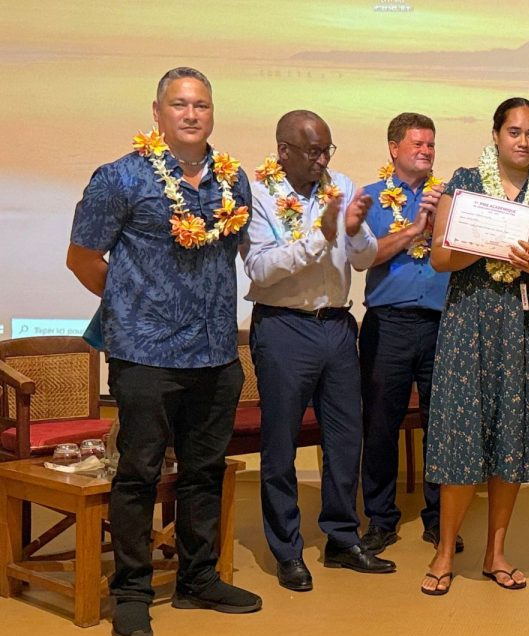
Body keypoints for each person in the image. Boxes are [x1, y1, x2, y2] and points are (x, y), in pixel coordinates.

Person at [66, 67, 262, 636]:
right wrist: (131, 302)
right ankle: (131, 592)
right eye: (179, 104)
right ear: (157, 113)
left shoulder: (235, 181)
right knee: (139, 474)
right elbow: (82, 259)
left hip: (216, 353)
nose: (191, 114)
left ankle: (198, 580)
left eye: (201, 104)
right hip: (145, 354)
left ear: (211, 113)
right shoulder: (119, 178)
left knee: (203, 472)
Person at [420, 97, 529, 595]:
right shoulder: (464, 183)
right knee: (462, 438)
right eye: (514, 132)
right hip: (470, 323)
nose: (523, 141)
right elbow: (440, 259)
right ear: (495, 135)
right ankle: (445, 554)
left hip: (527, 326)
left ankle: (496, 553)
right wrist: (478, 243)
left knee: (510, 439)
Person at [243, 110, 391, 591]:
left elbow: (366, 258)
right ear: (283, 151)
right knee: (281, 445)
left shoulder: (340, 184)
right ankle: (287, 550)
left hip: (337, 326)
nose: (322, 159)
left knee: (346, 441)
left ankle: (342, 539)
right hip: (284, 327)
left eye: (328, 149)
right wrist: (320, 235)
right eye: (312, 151)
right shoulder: (259, 193)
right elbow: (262, 270)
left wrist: (351, 228)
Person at [358, 112, 463, 556]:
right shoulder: (369, 198)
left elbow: (469, 249)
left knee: (441, 427)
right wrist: (416, 230)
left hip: (444, 323)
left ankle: (441, 520)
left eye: (431, 145)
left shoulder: (452, 199)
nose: (426, 151)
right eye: (417, 144)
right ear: (393, 149)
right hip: (389, 325)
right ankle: (381, 519)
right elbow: (365, 257)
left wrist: (442, 221)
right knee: (380, 425)